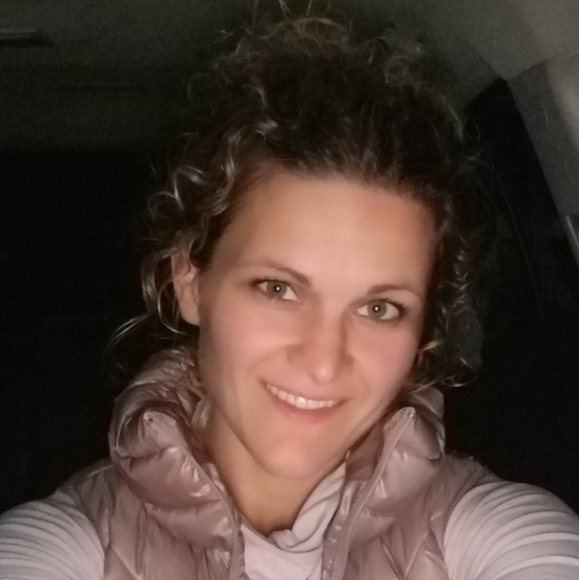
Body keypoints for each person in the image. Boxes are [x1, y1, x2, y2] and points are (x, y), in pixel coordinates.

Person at [1, 15, 579, 580]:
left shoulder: (485, 527)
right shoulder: (73, 541)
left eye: (379, 308)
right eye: (278, 288)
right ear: (189, 281)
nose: (324, 362)